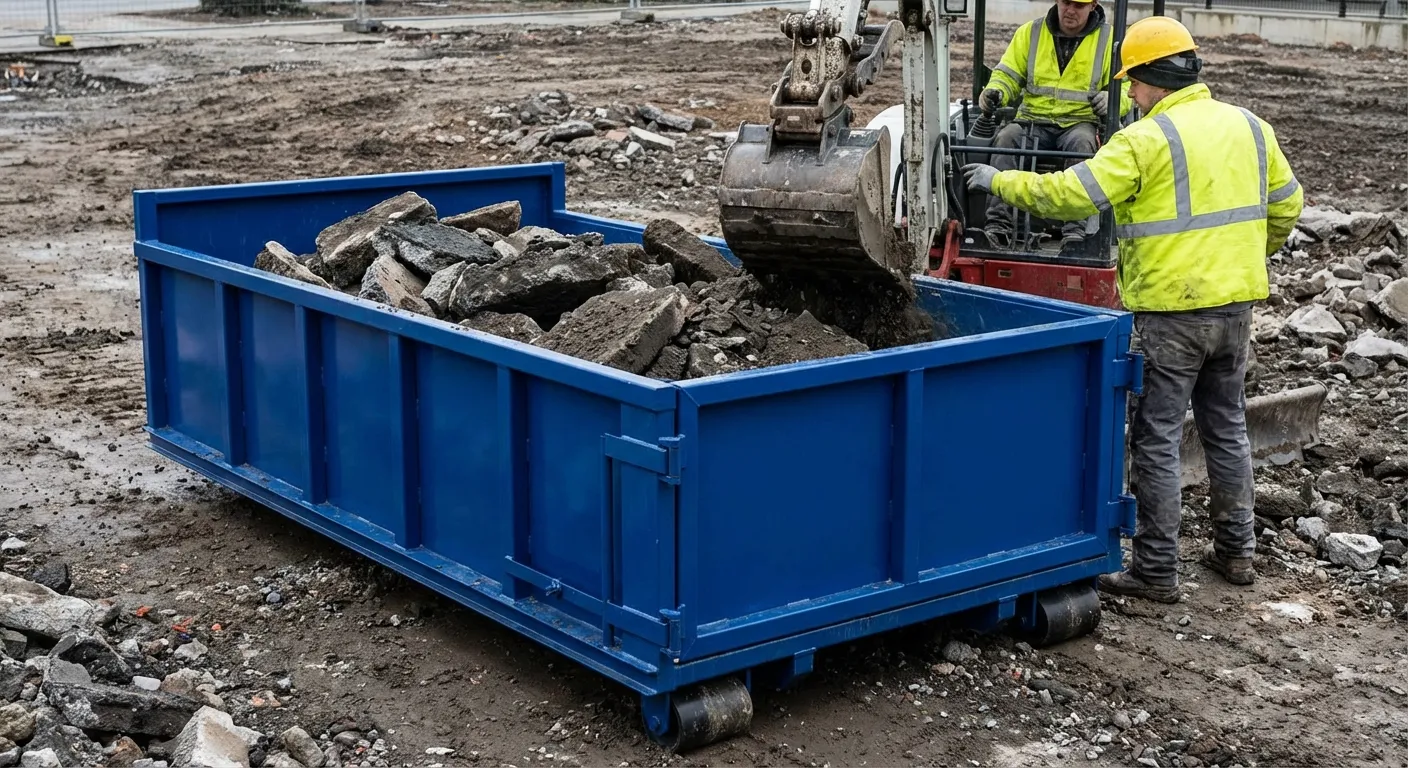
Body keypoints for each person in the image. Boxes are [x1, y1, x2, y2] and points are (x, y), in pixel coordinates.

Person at [961, 16, 1304, 604]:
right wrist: (1244, 257)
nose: (1131, 95)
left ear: (1151, 79)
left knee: (1158, 437)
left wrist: (999, 179)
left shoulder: (1146, 140)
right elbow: (1288, 206)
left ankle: (1156, 569)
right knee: (1226, 428)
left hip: (1172, 314)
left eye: (1133, 83)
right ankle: (1237, 552)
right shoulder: (1250, 126)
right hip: (1236, 307)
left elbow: (1069, 193)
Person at [977, 0, 1131, 248]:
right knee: (1006, 139)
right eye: (1066, 2)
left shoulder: (1111, 41)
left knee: (1082, 145)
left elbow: (1127, 86)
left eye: (1078, 5)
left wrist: (1113, 100)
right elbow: (1008, 74)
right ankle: (998, 227)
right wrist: (996, 91)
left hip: (1079, 121)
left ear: (1093, 6)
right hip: (1032, 120)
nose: (1070, 10)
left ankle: (1075, 232)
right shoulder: (1031, 33)